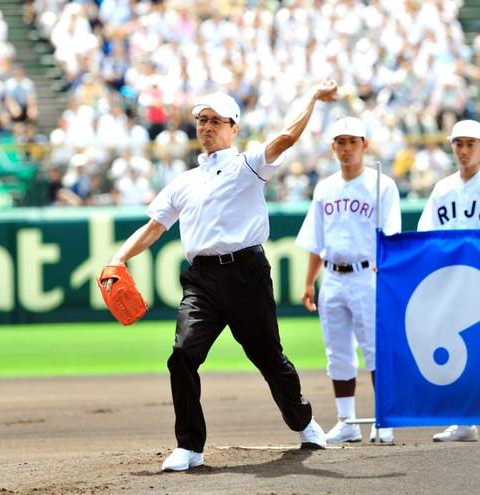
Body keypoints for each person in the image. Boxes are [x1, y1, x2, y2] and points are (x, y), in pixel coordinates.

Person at [101, 80, 338, 472]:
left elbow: (286, 136)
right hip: (202, 281)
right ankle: (190, 447)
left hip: (247, 274)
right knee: (181, 356)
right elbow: (155, 226)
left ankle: (303, 421)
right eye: (201, 120)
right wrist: (118, 258)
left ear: (233, 128)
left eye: (215, 120)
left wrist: (311, 96)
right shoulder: (184, 182)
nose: (206, 126)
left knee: (270, 359)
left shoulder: (248, 165)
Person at [295, 117, 401, 444]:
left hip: (367, 274)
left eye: (353, 141)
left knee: (374, 350)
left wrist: (385, 275)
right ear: (332, 146)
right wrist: (309, 282)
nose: (346, 148)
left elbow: (391, 237)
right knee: (337, 352)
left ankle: (384, 420)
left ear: (365, 145)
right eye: (340, 142)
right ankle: (347, 421)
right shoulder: (325, 187)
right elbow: (316, 239)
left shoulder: (382, 184)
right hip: (333, 276)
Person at [418, 119, 480, 442]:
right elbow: (426, 235)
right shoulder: (442, 189)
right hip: (451, 282)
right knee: (455, 347)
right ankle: (462, 419)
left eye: (470, 145)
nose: (463, 151)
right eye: (458, 144)